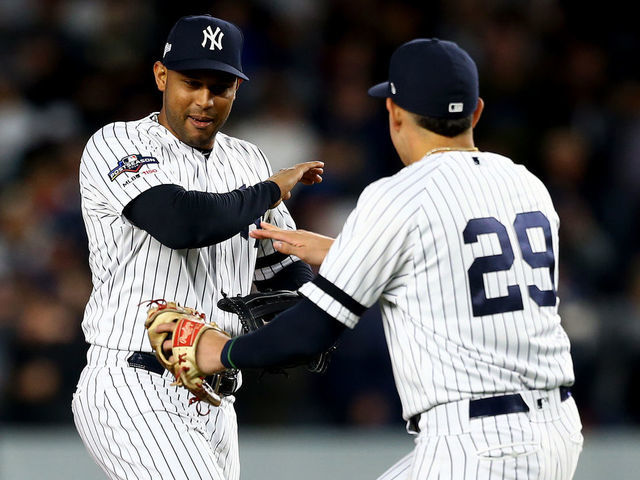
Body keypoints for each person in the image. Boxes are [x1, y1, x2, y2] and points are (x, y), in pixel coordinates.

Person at [158, 38, 584, 479]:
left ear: (394, 113)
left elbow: (311, 332)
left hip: (477, 444)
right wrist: (348, 252)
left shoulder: (399, 196)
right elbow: (459, 267)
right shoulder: (526, 183)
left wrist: (220, 353)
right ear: (475, 112)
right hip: (556, 427)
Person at [71, 14, 323, 480]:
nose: (205, 100)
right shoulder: (117, 142)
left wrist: (311, 317)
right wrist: (271, 190)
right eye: (192, 82)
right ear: (161, 76)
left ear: (237, 90)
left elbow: (281, 267)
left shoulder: (247, 159)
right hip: (134, 381)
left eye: (220, 86)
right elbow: (181, 222)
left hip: (218, 395)